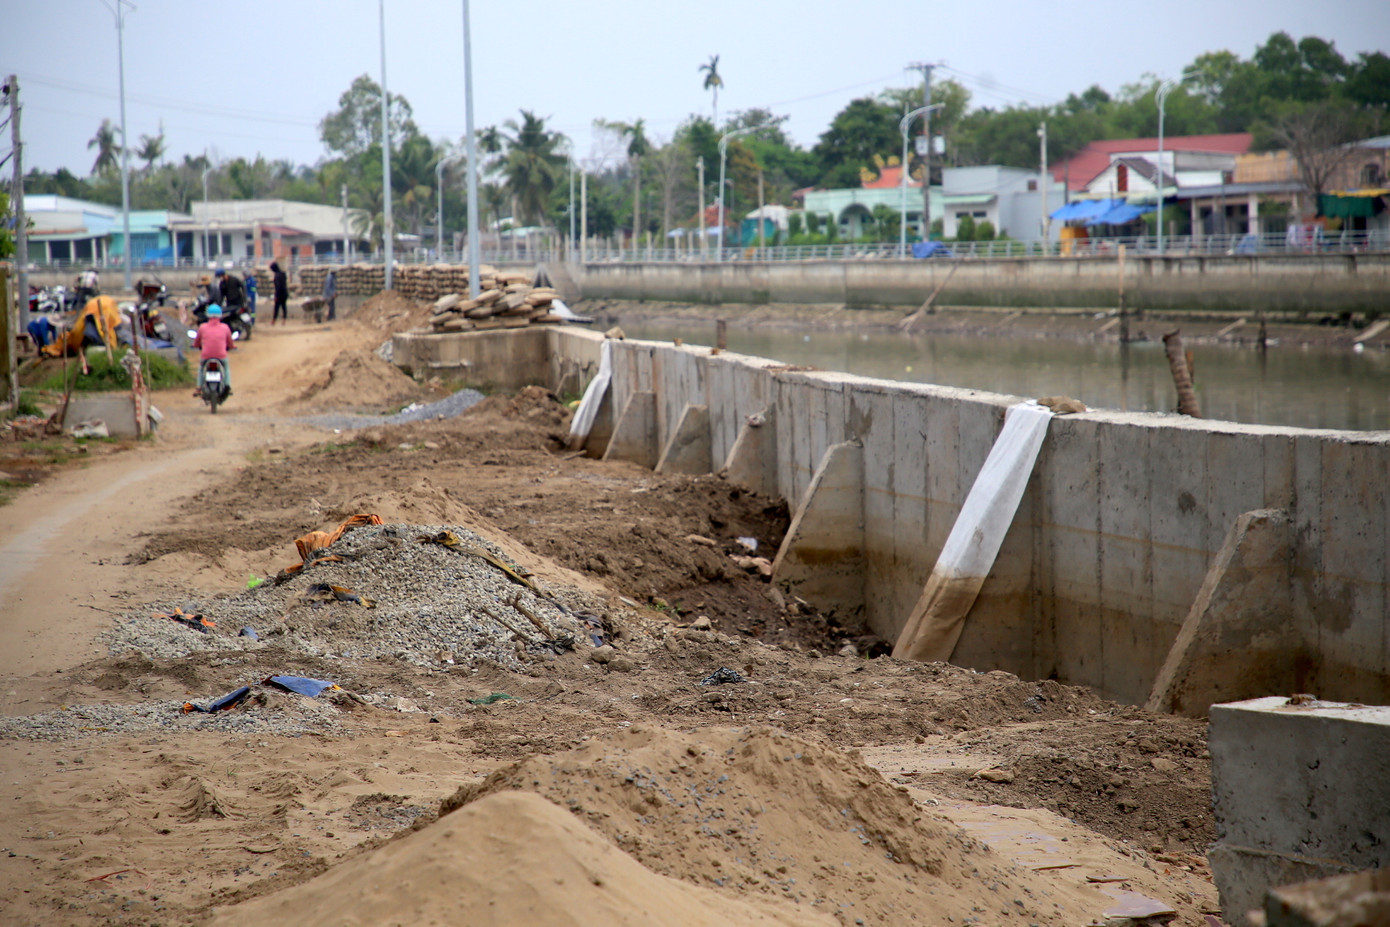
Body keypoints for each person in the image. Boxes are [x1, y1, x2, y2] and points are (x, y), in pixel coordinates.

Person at [192, 303, 235, 396]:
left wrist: (195, 345)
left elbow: (197, 342)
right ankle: (227, 385)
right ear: (220, 315)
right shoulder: (225, 327)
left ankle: (198, 388)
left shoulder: (202, 327)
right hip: (221, 355)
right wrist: (232, 347)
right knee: (226, 368)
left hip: (206, 355)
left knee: (201, 369)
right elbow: (230, 342)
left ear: (208, 315)